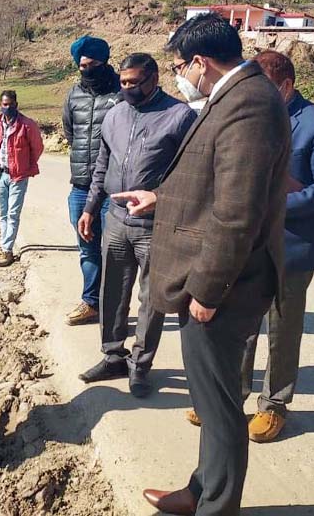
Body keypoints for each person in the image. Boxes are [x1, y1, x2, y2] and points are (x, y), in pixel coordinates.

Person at [114, 13, 290, 516]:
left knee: (219, 407)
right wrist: (159, 197)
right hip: (219, 277)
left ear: (199, 61)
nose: (178, 76)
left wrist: (209, 291)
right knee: (211, 401)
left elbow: (238, 213)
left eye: (177, 66)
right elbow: (207, 179)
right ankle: (201, 489)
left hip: (226, 285)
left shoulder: (250, 105)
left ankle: (217, 504)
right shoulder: (234, 97)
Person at [184, 50, 314, 442]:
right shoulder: (252, 118)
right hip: (245, 244)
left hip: (291, 247)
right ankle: (229, 398)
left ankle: (274, 404)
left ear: (286, 86)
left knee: (283, 328)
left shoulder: (312, 123)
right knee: (239, 326)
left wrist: (268, 206)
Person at [77, 53, 197, 398]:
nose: (127, 88)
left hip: (154, 225)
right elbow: (103, 165)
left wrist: (159, 196)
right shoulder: (114, 114)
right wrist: (89, 209)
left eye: (134, 82)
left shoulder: (179, 117)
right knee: (112, 290)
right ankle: (113, 355)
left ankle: (140, 365)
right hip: (114, 220)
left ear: (154, 79)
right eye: (124, 82)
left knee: (151, 298)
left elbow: (191, 174)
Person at [62, 35, 121, 325]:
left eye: (92, 64)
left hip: (112, 189)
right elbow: (70, 133)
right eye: (82, 65)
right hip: (81, 186)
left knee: (113, 251)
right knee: (87, 248)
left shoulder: (121, 93)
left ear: (104, 62)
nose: (87, 69)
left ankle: (113, 309)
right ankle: (91, 303)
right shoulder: (74, 95)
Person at [0, 89, 44, 267]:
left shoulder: (27, 125)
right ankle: (4, 246)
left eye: (11, 104)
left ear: (16, 105)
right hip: (2, 174)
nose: (7, 107)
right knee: (3, 213)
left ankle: (7, 251)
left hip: (18, 176)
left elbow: (37, 148)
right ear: (0, 105)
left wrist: (25, 166)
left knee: (13, 214)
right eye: (4, 104)